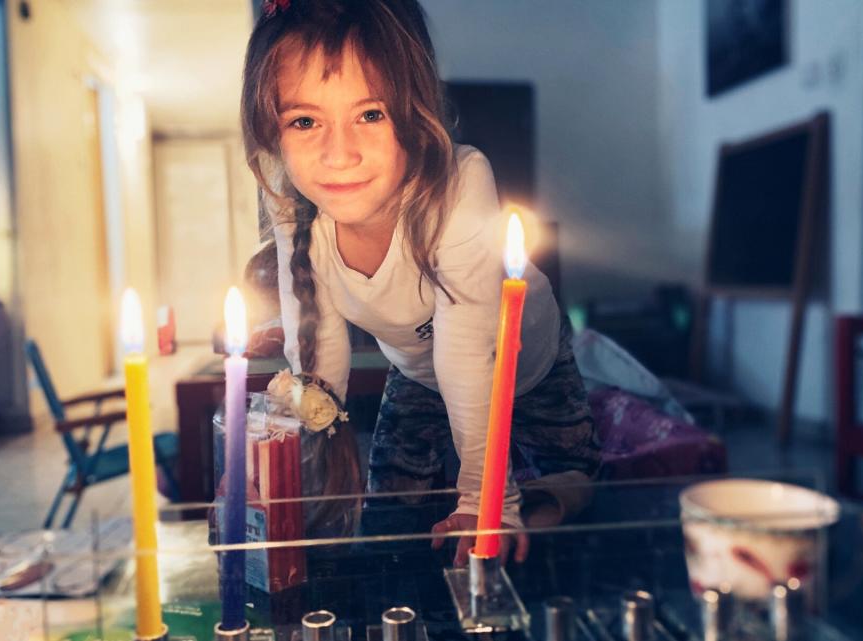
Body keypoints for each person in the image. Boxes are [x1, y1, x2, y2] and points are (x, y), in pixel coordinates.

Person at [240, 0, 601, 566]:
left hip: (526, 357)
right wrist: (291, 475)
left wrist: (487, 499)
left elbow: (465, 348)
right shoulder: (293, 206)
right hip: (418, 371)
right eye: (305, 120)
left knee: (572, 481)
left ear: (414, 112)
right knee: (390, 511)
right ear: (273, 131)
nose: (340, 154)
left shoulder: (460, 182)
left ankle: (537, 504)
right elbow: (317, 346)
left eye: (371, 114)